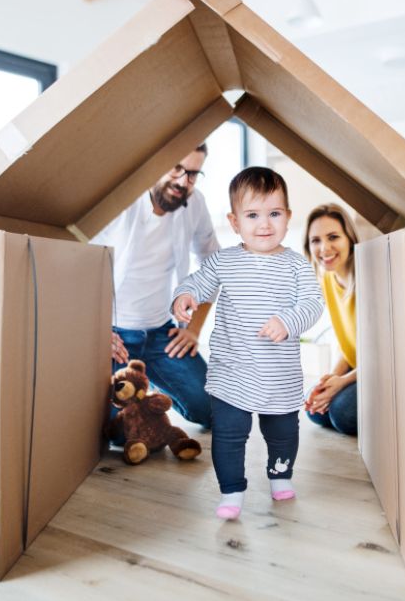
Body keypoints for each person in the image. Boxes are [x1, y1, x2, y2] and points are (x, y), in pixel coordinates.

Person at [172, 167, 323, 520]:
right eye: (253, 215)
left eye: (274, 213)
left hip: (279, 374)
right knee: (229, 434)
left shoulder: (296, 266)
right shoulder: (225, 261)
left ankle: (280, 473)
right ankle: (232, 490)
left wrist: (288, 321)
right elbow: (197, 282)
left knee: (283, 432)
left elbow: (312, 304)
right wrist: (185, 296)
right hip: (232, 372)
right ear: (235, 221)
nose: (264, 224)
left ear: (287, 218)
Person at [92, 143, 219, 435]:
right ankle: (139, 392)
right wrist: (96, 332)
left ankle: (150, 386)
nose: (183, 182)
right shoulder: (120, 202)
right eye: (177, 168)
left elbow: (213, 264)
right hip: (115, 337)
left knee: (211, 409)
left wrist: (193, 329)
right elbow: (76, 267)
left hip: (163, 333)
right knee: (109, 428)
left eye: (194, 174)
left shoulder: (195, 203)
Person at [302, 203, 360, 436]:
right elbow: (347, 345)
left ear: (349, 239)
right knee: (314, 408)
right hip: (357, 368)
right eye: (315, 240)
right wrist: (331, 379)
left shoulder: (369, 276)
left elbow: (385, 356)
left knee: (342, 413)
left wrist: (343, 382)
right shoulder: (327, 279)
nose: (324, 248)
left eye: (333, 237)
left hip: (381, 371)